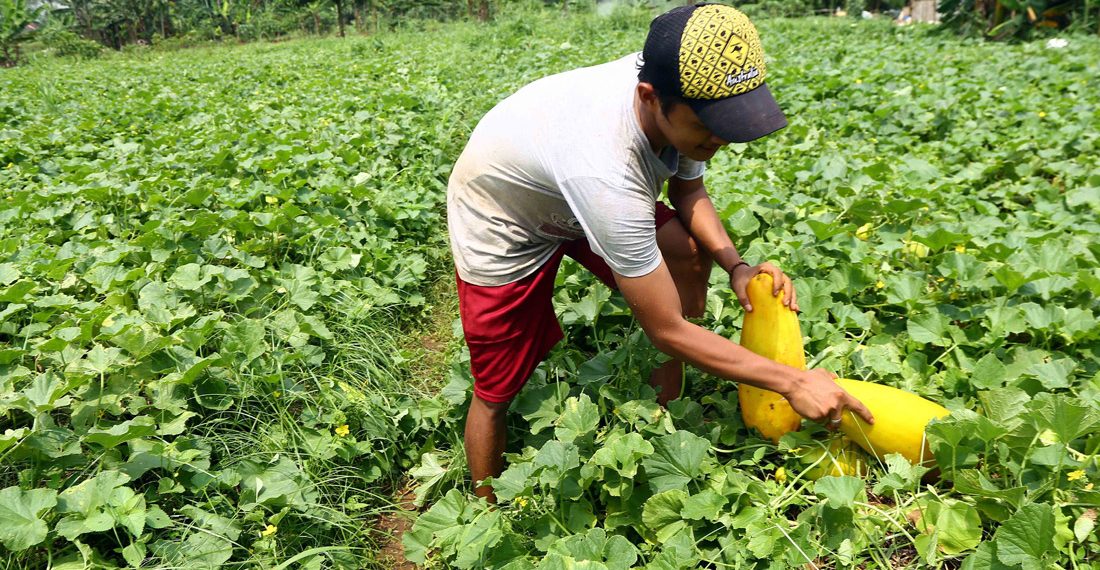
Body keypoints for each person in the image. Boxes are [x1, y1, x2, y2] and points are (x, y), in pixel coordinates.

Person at [447, 2, 874, 502]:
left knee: (686, 251)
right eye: (709, 125)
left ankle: (663, 408)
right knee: (497, 387)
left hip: (570, 183)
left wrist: (735, 266)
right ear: (650, 98)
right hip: (506, 217)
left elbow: (688, 190)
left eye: (730, 121)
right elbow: (664, 328)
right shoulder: (607, 168)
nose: (721, 137)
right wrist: (794, 383)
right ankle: (483, 509)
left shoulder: (681, 79)